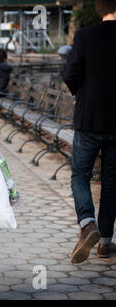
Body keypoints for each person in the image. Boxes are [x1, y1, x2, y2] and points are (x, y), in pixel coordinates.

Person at [61, 0, 116, 263]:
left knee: (80, 174)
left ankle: (87, 224)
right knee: (112, 181)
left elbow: (70, 73)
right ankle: (106, 242)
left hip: (89, 118)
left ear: (99, 8)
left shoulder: (85, 35)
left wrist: (83, 93)